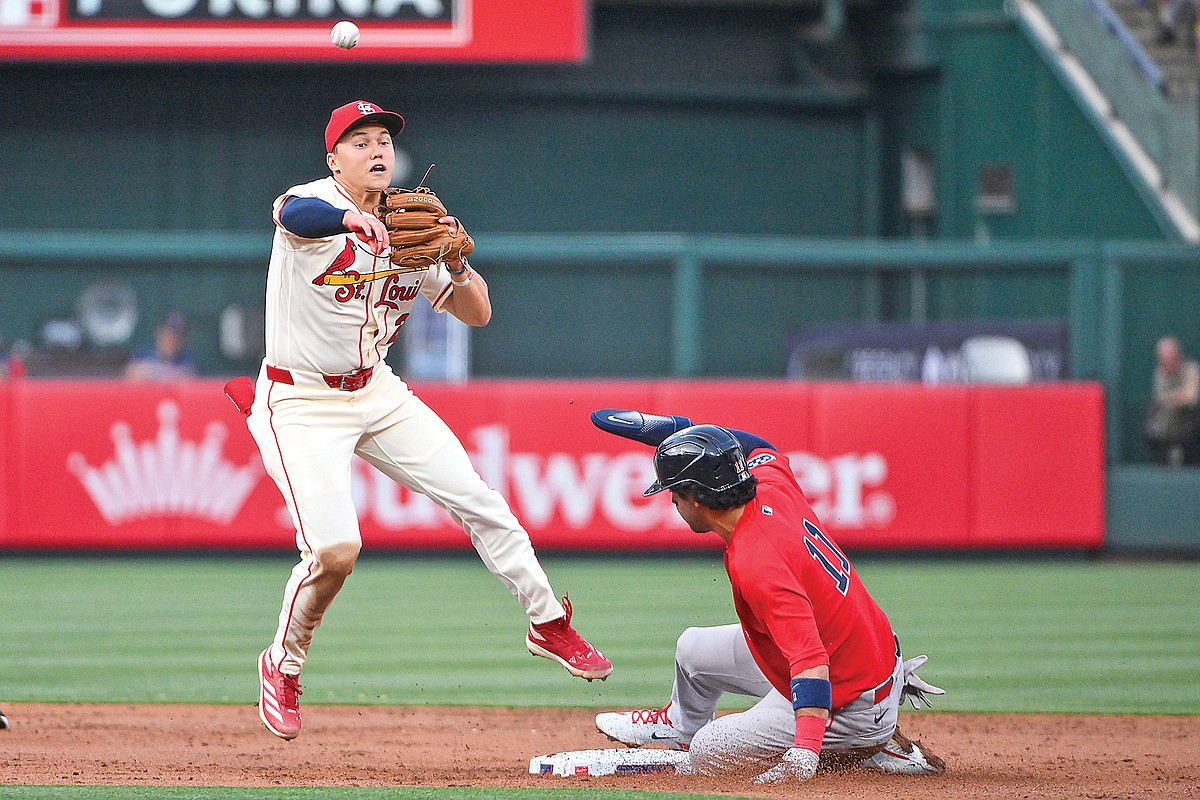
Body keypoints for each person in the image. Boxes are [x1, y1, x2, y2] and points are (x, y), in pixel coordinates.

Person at [239, 100, 611, 742]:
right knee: (335, 550)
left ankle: (548, 622)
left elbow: (478, 314)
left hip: (378, 393)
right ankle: (283, 662)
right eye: (360, 141)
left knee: (480, 499)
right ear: (334, 157)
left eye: (383, 139)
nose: (376, 149)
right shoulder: (312, 205)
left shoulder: (414, 225)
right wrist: (351, 217)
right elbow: (289, 213)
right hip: (297, 402)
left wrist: (459, 262)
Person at [587, 408, 945, 783]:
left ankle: (864, 747)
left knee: (711, 751)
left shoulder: (758, 560)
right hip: (859, 655)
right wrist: (681, 430)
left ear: (696, 499)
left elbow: (810, 662)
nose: (671, 501)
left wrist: (804, 755)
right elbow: (758, 446)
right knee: (692, 649)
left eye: (674, 492)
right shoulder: (768, 485)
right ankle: (680, 727)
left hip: (851, 697)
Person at [1144, 335, 1200, 467]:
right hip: (1170, 425)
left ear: (1178, 355)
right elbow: (1161, 399)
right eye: (1163, 359)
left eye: (1169, 358)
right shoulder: (1160, 373)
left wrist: (1173, 397)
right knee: (1156, 421)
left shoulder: (1191, 369)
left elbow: (1191, 397)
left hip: (1193, 420)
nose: (1166, 362)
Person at [123, 314, 196, 381]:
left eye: (176, 338)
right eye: (168, 336)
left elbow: (188, 378)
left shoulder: (185, 361)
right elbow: (130, 378)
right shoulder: (143, 356)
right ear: (159, 335)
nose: (171, 341)